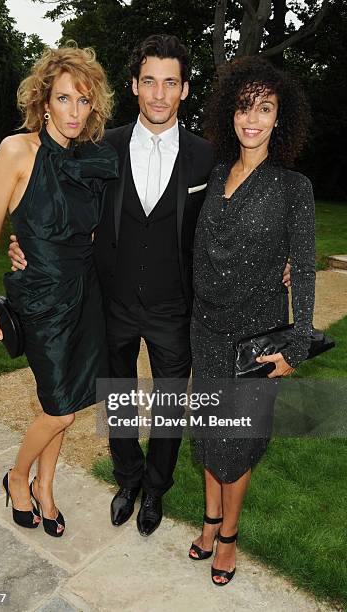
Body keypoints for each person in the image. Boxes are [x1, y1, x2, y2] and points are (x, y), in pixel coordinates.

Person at [8, 36, 291, 538]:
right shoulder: (101, 148)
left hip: (176, 307)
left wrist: (284, 258)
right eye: (150, 81)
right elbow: (52, 200)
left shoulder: (209, 158)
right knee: (115, 397)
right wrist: (26, 241)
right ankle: (127, 478)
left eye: (171, 83)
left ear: (184, 90)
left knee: (168, 405)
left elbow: (242, 211)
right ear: (136, 85)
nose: (159, 94)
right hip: (109, 301)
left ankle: (156, 489)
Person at [0, 46, 118, 537]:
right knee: (58, 407)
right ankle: (18, 478)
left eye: (83, 101)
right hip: (39, 297)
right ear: (44, 102)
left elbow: (95, 233)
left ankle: (46, 487)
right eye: (64, 99)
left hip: (85, 293)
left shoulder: (92, 160)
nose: (74, 111)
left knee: (69, 403)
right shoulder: (16, 151)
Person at [188, 57, 316, 586]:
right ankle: (209, 519)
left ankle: (229, 537)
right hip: (207, 330)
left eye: (265, 108)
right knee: (208, 435)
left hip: (255, 338)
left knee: (236, 445)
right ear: (229, 113)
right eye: (245, 107)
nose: (253, 119)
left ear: (279, 117)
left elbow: (304, 266)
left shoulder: (293, 188)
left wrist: (299, 342)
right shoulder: (216, 174)